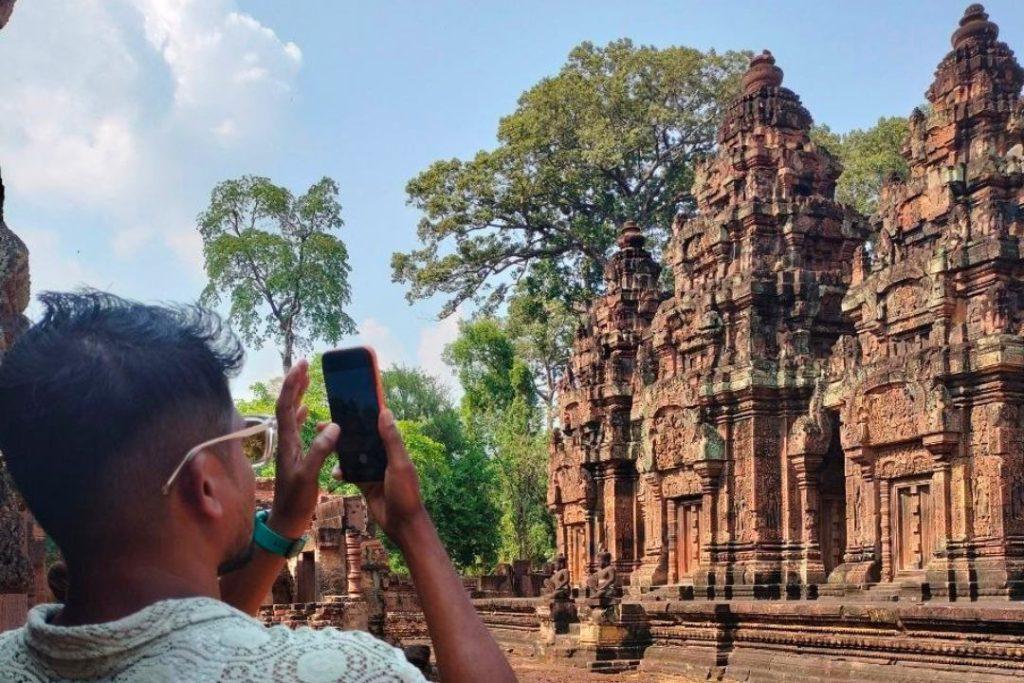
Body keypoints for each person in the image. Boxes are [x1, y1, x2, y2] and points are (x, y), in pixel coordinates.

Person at [0, 291, 517, 682]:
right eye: (247, 444)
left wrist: (286, 521)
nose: (256, 473)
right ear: (205, 486)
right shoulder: (344, 671)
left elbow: (179, 639)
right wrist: (413, 526)